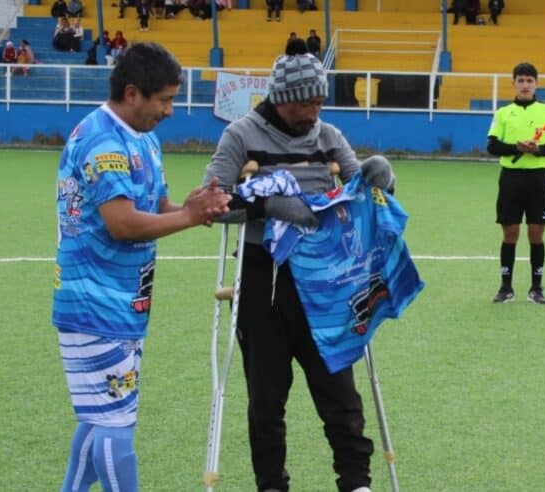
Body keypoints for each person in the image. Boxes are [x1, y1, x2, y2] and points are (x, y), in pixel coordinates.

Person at [204, 52, 397, 492]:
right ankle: (272, 484)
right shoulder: (241, 135)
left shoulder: (329, 136)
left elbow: (360, 190)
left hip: (326, 279)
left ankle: (356, 482)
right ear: (281, 99)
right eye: (304, 103)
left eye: (319, 102)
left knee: (340, 393)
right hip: (264, 278)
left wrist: (382, 179)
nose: (313, 112)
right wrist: (267, 206)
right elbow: (213, 200)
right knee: (267, 401)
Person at [53, 42, 230, 492]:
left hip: (124, 304)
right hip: (93, 304)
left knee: (101, 417)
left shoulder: (143, 138)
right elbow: (123, 223)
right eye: (165, 99)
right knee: (115, 424)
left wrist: (187, 206)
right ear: (133, 93)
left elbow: (153, 207)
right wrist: (189, 218)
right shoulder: (102, 141)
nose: (171, 110)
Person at [486, 62, 545, 305]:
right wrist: (516, 147)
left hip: (538, 179)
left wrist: (537, 149)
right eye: (521, 80)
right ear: (514, 83)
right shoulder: (503, 113)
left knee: (536, 233)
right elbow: (492, 146)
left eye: (530, 81)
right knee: (510, 233)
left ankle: (536, 288)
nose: (525, 85)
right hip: (510, 179)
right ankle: (505, 287)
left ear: (536, 84)